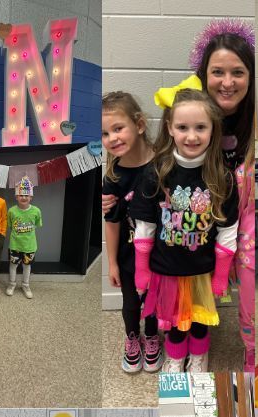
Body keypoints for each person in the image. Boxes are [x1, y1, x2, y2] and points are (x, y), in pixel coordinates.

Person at [151, 18, 256, 370]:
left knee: (240, 283)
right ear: (204, 73)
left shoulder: (254, 116)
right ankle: (174, 346)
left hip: (237, 214)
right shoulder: (186, 109)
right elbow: (157, 159)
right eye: (218, 72)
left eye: (238, 72)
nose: (227, 82)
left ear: (250, 76)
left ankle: (246, 349)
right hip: (189, 223)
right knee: (183, 294)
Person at [130, 88, 238, 373]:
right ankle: (176, 357)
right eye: (182, 127)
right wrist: (141, 269)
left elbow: (228, 229)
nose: (192, 136)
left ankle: (199, 357)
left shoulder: (222, 176)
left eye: (200, 127)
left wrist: (222, 274)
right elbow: (145, 226)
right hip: (167, 269)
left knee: (200, 321)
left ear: (213, 129)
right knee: (175, 322)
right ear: (170, 128)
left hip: (203, 270)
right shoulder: (156, 172)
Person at [102, 91, 161, 374]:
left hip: (160, 254)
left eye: (118, 128)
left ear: (139, 124)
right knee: (131, 302)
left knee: (153, 300)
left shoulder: (163, 165)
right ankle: (132, 337)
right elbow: (112, 223)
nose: (112, 138)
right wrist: (112, 263)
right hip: (128, 256)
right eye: (105, 133)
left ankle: (152, 336)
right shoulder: (113, 176)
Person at [6, 177, 42, 300]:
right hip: (15, 245)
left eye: (26, 195)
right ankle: (12, 284)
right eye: (21, 195)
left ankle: (25, 285)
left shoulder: (36, 211)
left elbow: (37, 224)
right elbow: (10, 225)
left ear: (31, 197)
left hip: (29, 246)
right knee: (13, 265)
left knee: (27, 266)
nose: (24, 197)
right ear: (16, 196)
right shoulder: (11, 211)